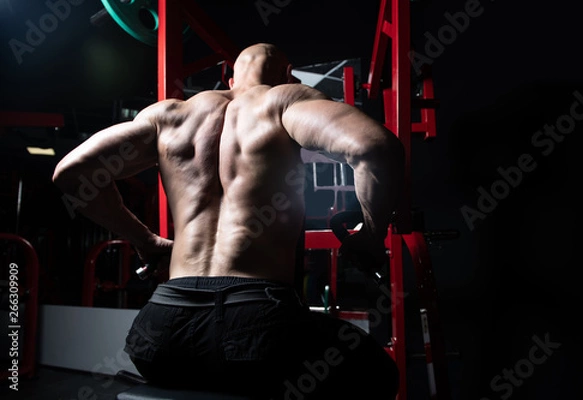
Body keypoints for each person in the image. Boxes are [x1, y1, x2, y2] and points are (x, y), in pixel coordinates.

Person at [53, 43, 404, 399]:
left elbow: (72, 173)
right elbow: (374, 148)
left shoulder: (169, 115)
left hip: (161, 334)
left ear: (229, 75)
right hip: (260, 331)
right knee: (377, 374)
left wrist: (146, 241)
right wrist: (371, 237)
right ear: (288, 73)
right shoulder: (286, 101)